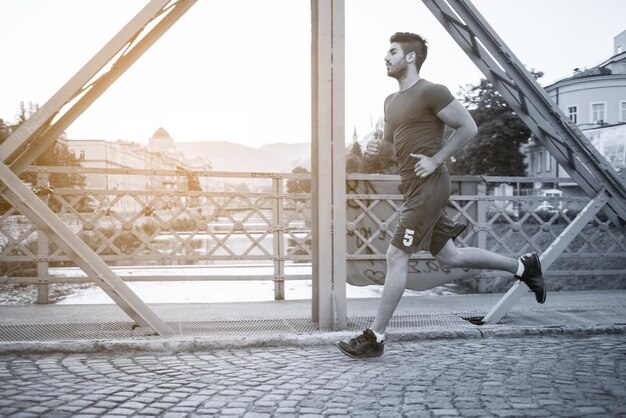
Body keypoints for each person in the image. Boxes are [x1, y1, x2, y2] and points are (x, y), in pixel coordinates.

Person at [336, 32, 546, 359]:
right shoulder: (390, 103)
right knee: (451, 258)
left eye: (392, 52)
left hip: (431, 185)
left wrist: (436, 159)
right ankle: (523, 266)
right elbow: (392, 149)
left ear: (410, 57)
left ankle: (375, 337)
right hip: (413, 186)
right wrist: (378, 147)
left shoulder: (431, 92)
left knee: (396, 256)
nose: (386, 57)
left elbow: (468, 127)